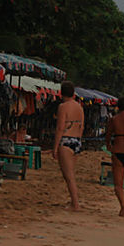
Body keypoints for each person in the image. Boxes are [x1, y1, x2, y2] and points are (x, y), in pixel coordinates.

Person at [52, 81, 84, 210]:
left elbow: (60, 128)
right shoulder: (79, 107)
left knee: (69, 176)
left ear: (61, 93)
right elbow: (82, 126)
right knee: (70, 174)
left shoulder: (63, 107)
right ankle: (73, 201)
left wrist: (55, 147)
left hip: (66, 140)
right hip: (76, 140)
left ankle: (75, 203)